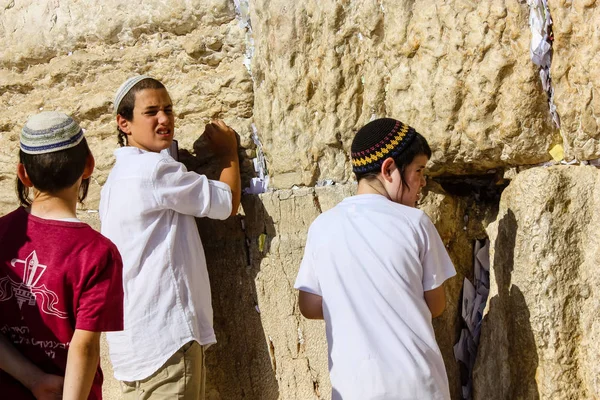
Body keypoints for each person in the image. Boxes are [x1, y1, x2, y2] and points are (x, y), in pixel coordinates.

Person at [99, 76, 241, 399]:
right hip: (167, 347)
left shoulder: (114, 182)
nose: (164, 119)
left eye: (168, 109)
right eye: (151, 112)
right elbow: (227, 203)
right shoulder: (155, 172)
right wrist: (228, 153)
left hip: (132, 352)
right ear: (125, 123)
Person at [294, 118, 456, 400]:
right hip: (418, 387)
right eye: (418, 171)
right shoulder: (415, 223)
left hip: (356, 388)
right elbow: (437, 304)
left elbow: (308, 305)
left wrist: (353, 302)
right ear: (389, 168)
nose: (423, 183)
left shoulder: (322, 226)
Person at [0, 111, 124, 399]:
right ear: (89, 165)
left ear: (23, 174)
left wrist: (33, 380)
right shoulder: (97, 253)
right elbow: (84, 346)